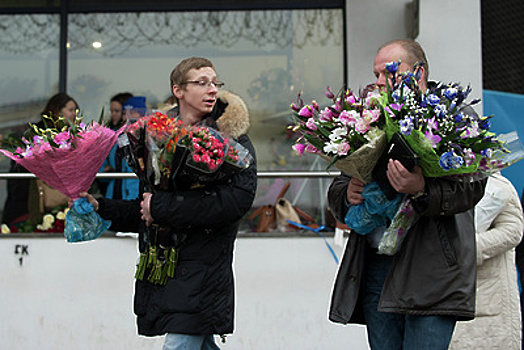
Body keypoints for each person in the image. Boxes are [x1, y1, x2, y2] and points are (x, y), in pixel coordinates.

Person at [79, 57, 257, 349]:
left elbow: (235, 202)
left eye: (215, 83)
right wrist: (102, 207)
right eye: (201, 83)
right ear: (179, 90)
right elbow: (145, 207)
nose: (212, 89)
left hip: (203, 269)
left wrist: (160, 207)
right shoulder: (154, 139)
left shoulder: (232, 139)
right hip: (162, 266)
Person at [328, 39, 487, 350]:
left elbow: (472, 188)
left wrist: (422, 189)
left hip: (431, 272)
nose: (379, 82)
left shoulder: (454, 116)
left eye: (389, 72)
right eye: (375, 75)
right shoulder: (366, 121)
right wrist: (350, 193)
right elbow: (338, 189)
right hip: (376, 269)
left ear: (420, 71)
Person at [449, 173, 523, 349]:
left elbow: (513, 231)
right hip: (445, 289)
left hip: (488, 294)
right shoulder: (433, 183)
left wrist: (468, 249)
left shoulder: (497, 185)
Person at [2, 92, 79, 226]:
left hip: (59, 203)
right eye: (71, 110)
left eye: (76, 111)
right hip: (30, 199)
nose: (74, 114)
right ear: (58, 112)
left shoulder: (74, 135)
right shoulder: (37, 133)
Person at [98, 95, 145, 200]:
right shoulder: (114, 137)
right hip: (113, 193)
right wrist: (105, 171)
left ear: (142, 115)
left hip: (135, 194)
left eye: (132, 112)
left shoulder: (147, 138)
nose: (127, 117)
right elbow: (101, 162)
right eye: (124, 113)